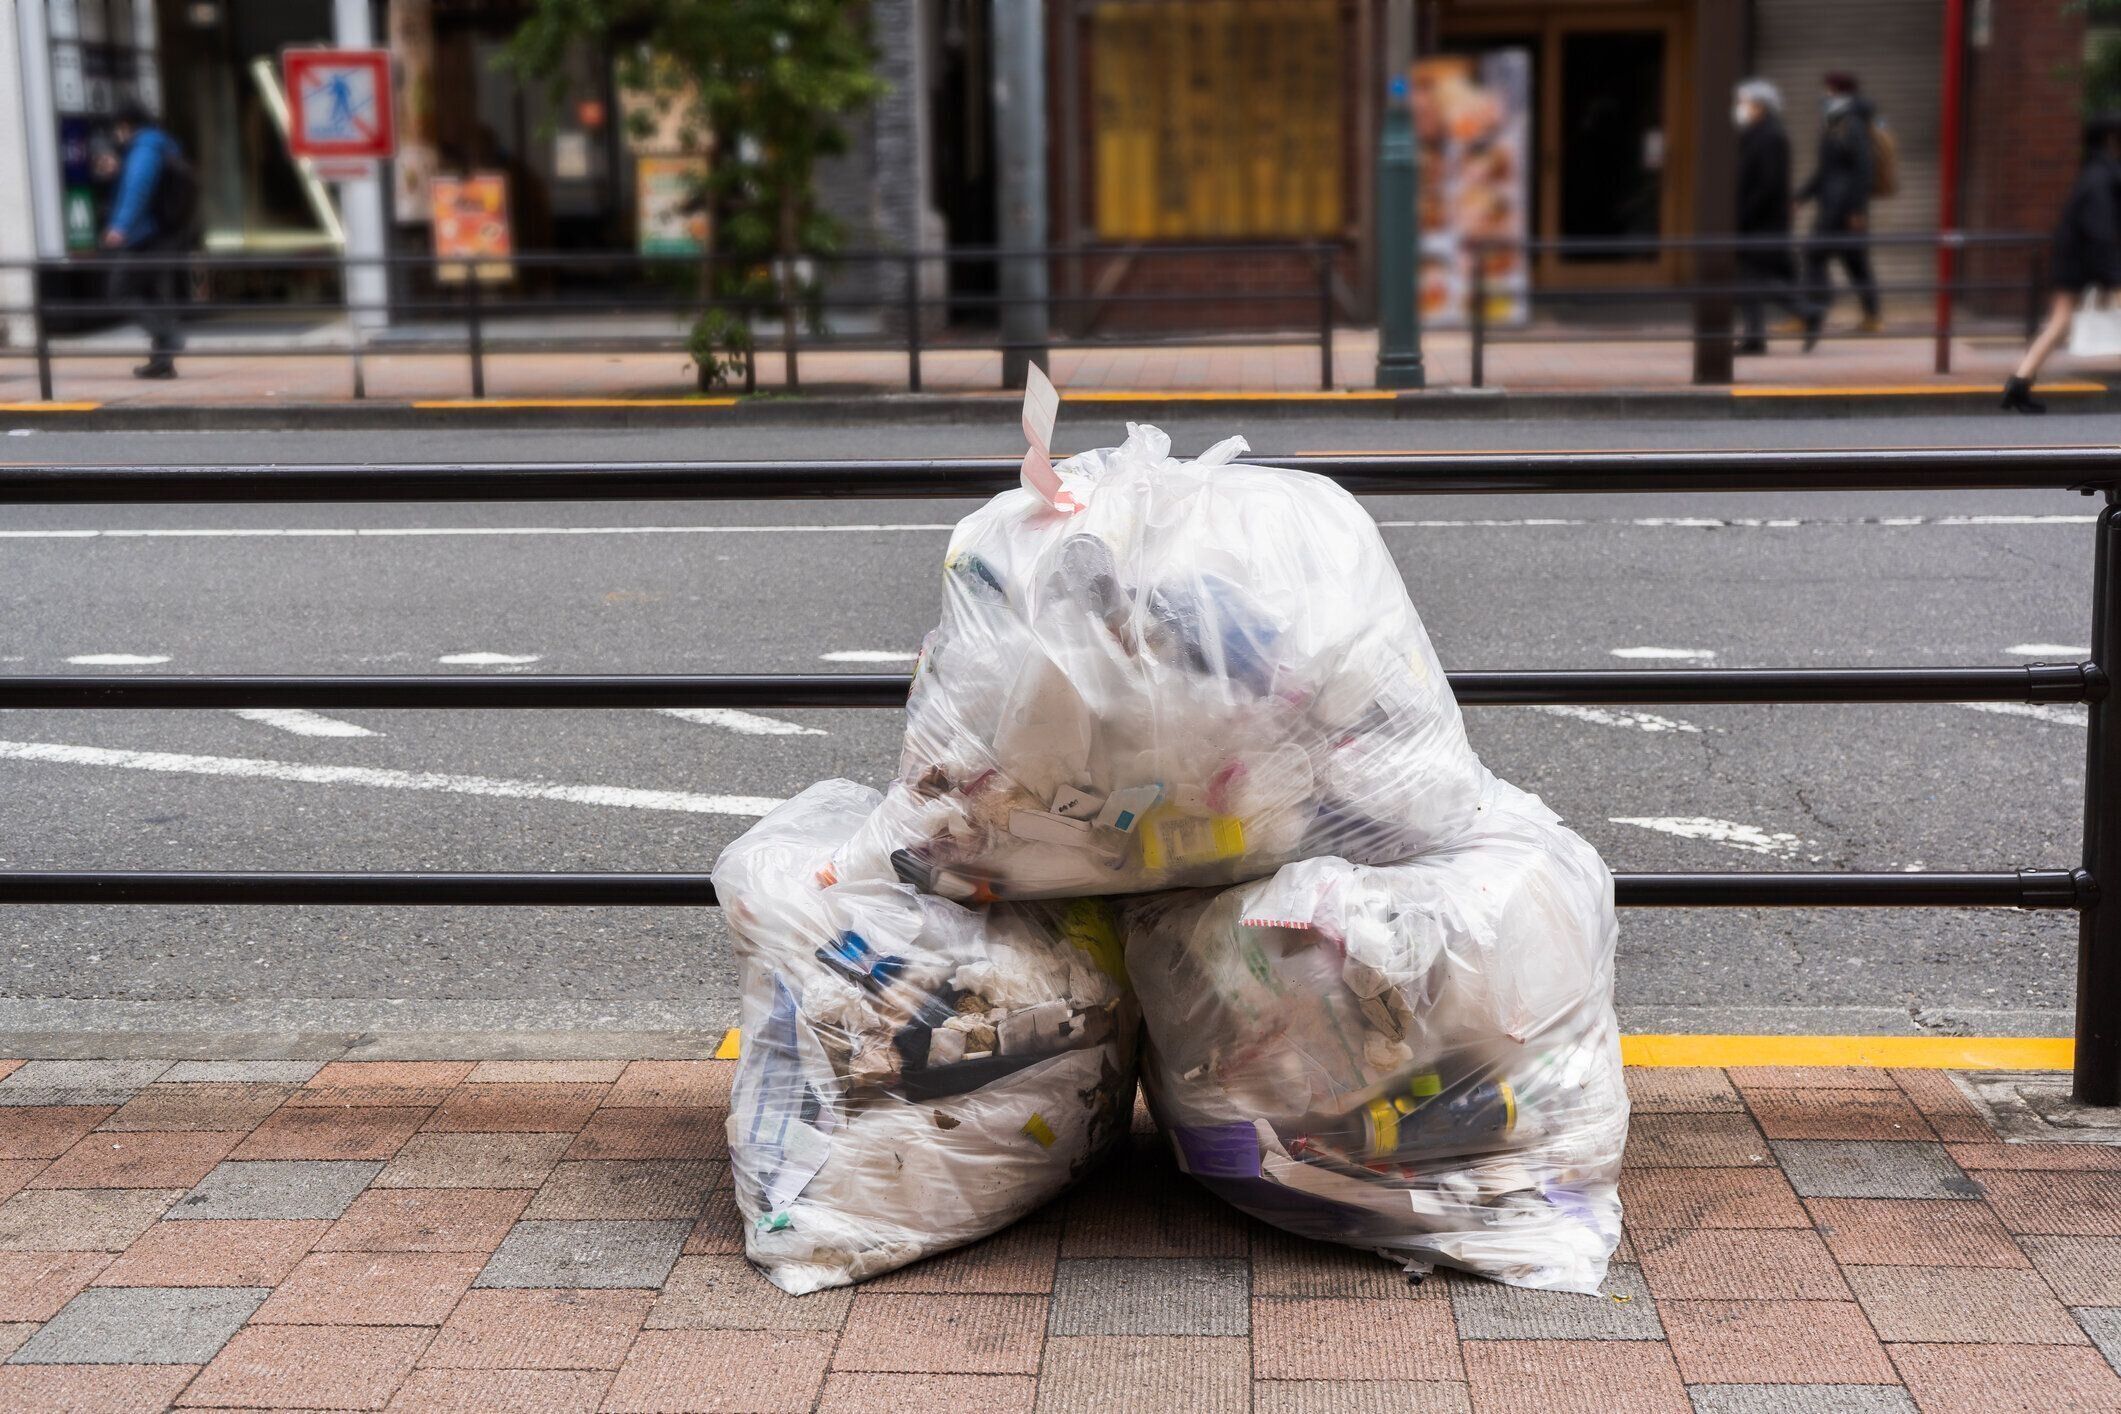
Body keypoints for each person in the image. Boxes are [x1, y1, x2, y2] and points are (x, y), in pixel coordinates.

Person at [2004, 116, 2121, 413]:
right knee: (2060, 322)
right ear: (2111, 140)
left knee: (2059, 323)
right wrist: (2111, 277)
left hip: (2072, 259)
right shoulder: (2101, 177)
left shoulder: (2094, 173)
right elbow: (2100, 230)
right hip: (2087, 261)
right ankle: (2018, 383)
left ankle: (2019, 383)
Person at [100, 101, 196, 379]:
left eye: (117, 129)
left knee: (120, 291)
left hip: (146, 236)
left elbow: (138, 189)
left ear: (125, 126)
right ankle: (162, 362)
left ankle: (168, 337)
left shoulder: (144, 148)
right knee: (151, 293)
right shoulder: (160, 144)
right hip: (162, 233)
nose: (116, 135)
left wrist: (120, 227)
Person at [1797, 71, 1881, 341]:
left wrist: (1856, 210)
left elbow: (1864, 170)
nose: (1824, 95)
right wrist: (1801, 196)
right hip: (1834, 204)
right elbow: (1826, 170)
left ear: (1840, 93)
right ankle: (1872, 316)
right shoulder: (1835, 122)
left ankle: (1810, 310)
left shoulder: (1851, 124)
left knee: (1815, 256)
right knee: (1855, 262)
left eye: (1829, 90)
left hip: (1843, 209)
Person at [1732, 78, 1811, 354]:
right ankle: (1756, 337)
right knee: (1750, 278)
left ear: (1760, 106)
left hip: (1762, 222)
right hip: (1758, 220)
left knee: (1753, 278)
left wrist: (1743, 214)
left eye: (1745, 102)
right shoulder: (1757, 133)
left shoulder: (1770, 136)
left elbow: (1768, 183)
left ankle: (1806, 311)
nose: (1741, 107)